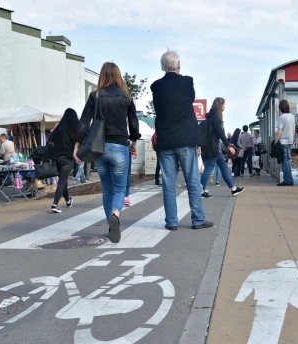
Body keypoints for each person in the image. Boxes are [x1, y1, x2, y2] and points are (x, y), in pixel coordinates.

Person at [76, 62, 140, 243]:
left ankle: (111, 224)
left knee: (108, 189)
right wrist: (134, 141)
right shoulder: (126, 96)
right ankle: (116, 214)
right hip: (120, 146)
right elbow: (133, 123)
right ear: (119, 76)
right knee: (120, 189)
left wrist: (77, 143)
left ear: (102, 76)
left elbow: (84, 122)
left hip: (99, 149)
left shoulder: (95, 95)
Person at [150, 49, 212, 231]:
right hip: (186, 139)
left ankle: (171, 221)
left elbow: (158, 109)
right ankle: (198, 219)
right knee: (192, 180)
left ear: (163, 66)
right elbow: (190, 99)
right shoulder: (187, 82)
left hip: (166, 140)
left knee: (168, 183)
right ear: (178, 65)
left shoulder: (156, 86)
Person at [200, 97, 244, 198]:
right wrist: (228, 145)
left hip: (215, 148)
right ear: (221, 105)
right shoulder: (216, 117)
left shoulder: (211, 116)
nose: (225, 106)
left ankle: (233, 189)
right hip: (213, 148)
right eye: (224, 104)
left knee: (224, 168)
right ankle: (200, 191)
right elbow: (220, 133)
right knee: (208, 169)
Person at [50, 108, 80, 213]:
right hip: (68, 159)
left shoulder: (59, 128)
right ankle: (55, 204)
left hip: (57, 158)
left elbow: (51, 140)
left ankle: (68, 200)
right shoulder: (76, 129)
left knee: (63, 181)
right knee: (62, 181)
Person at [274, 100, 296, 186]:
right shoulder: (292, 116)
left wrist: (275, 142)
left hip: (283, 142)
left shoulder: (282, 117)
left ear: (280, 108)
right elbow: (293, 130)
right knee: (287, 161)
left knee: (284, 162)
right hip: (290, 141)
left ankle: (287, 180)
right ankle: (290, 180)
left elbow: (279, 131)